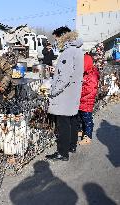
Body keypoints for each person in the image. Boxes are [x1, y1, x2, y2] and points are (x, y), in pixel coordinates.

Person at [45, 26, 84, 161]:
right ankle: (72, 146)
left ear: (62, 36)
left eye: (56, 38)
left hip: (65, 94)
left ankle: (62, 152)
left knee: (63, 124)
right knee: (73, 119)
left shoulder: (68, 52)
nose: (56, 41)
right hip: (74, 92)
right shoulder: (78, 50)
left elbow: (64, 77)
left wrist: (53, 91)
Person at [78, 52, 100, 145]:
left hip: (87, 101)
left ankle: (88, 137)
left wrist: (79, 92)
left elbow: (89, 89)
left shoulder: (92, 75)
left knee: (87, 120)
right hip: (83, 101)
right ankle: (83, 132)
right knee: (82, 119)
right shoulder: (87, 74)